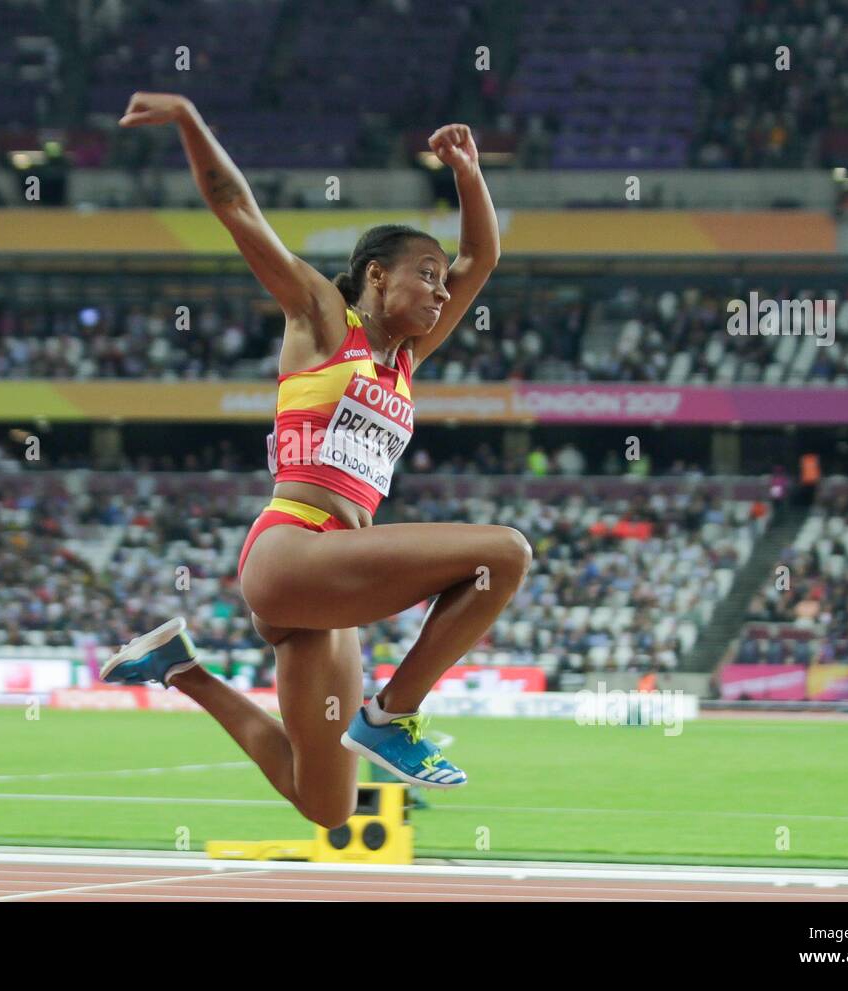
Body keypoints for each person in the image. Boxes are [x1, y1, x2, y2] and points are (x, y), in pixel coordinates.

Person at [100, 92, 529, 830]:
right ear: (372, 276)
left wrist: (467, 170)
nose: (438, 288)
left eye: (439, 277)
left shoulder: (405, 359)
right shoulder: (324, 321)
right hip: (294, 549)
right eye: (423, 273)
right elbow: (236, 207)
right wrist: (190, 121)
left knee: (325, 802)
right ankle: (393, 713)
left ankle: (178, 665)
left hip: (333, 589)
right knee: (505, 554)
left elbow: (482, 257)